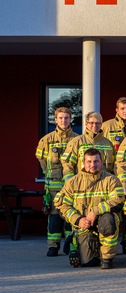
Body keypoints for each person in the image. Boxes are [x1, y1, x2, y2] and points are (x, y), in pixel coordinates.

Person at [55, 148, 125, 269]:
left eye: (96, 161)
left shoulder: (111, 180)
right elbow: (61, 205)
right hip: (84, 225)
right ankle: (77, 242)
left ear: (101, 162)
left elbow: (118, 200)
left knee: (108, 220)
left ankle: (107, 258)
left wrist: (95, 211)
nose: (93, 165)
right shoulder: (72, 182)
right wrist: (78, 220)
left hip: (103, 223)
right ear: (83, 162)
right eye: (89, 162)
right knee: (87, 262)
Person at [36, 107, 78, 256]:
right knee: (54, 218)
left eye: (66, 118)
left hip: (71, 186)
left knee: (69, 216)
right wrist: (49, 174)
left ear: (70, 119)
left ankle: (69, 243)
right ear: (55, 120)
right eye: (60, 118)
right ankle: (53, 246)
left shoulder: (77, 139)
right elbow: (41, 160)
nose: (64, 120)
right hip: (54, 187)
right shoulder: (46, 140)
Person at [62, 111, 116, 178]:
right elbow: (68, 165)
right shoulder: (76, 142)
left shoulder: (108, 143)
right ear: (86, 124)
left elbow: (115, 166)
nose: (94, 125)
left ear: (101, 124)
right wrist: (70, 183)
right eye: (91, 123)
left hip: (104, 184)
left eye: (97, 123)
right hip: (83, 184)